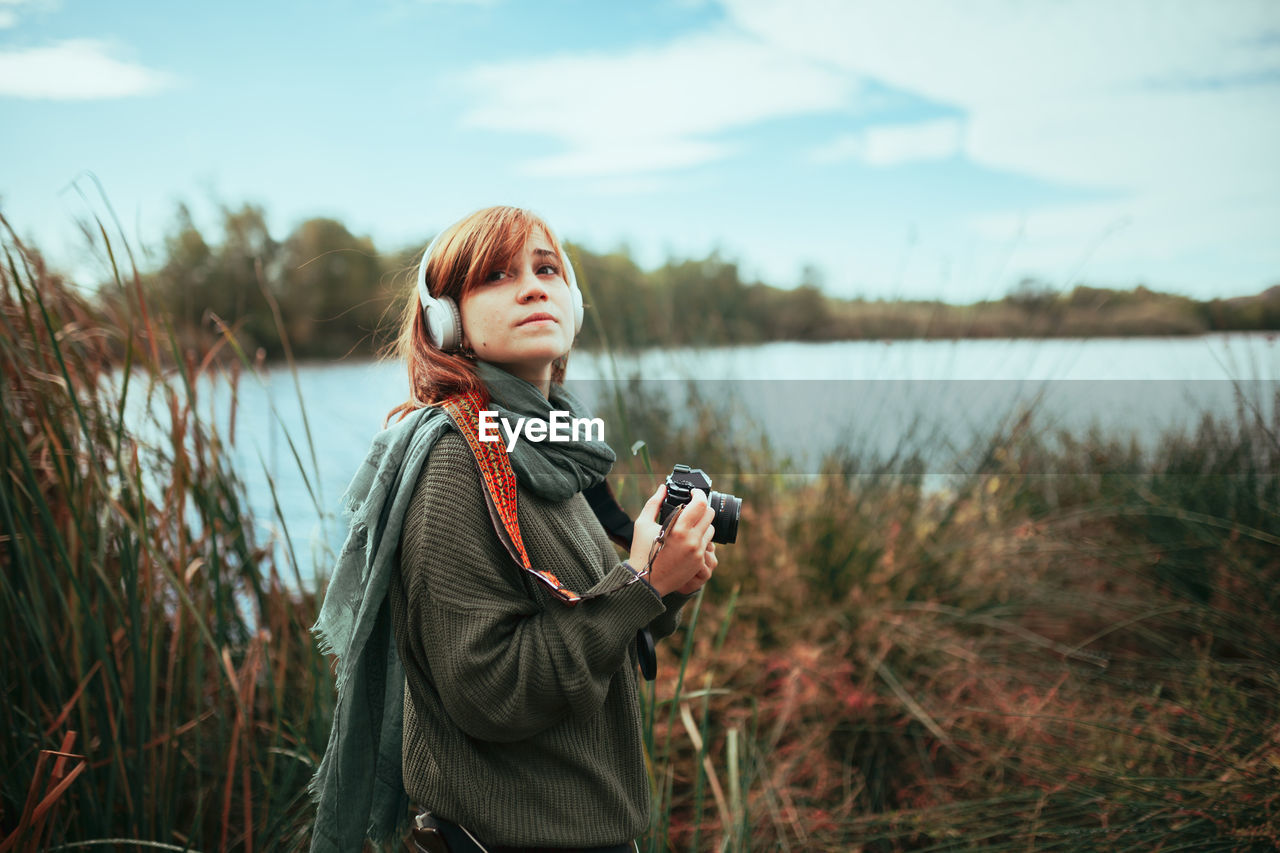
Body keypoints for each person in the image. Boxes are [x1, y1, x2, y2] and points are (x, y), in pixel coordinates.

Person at [308, 206, 717, 853]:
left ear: (573, 304)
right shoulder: (456, 458)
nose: (532, 286)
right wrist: (638, 585)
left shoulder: (544, 449)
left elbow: (595, 635)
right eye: (497, 275)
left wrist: (659, 577)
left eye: (546, 268)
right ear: (448, 320)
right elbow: (491, 691)